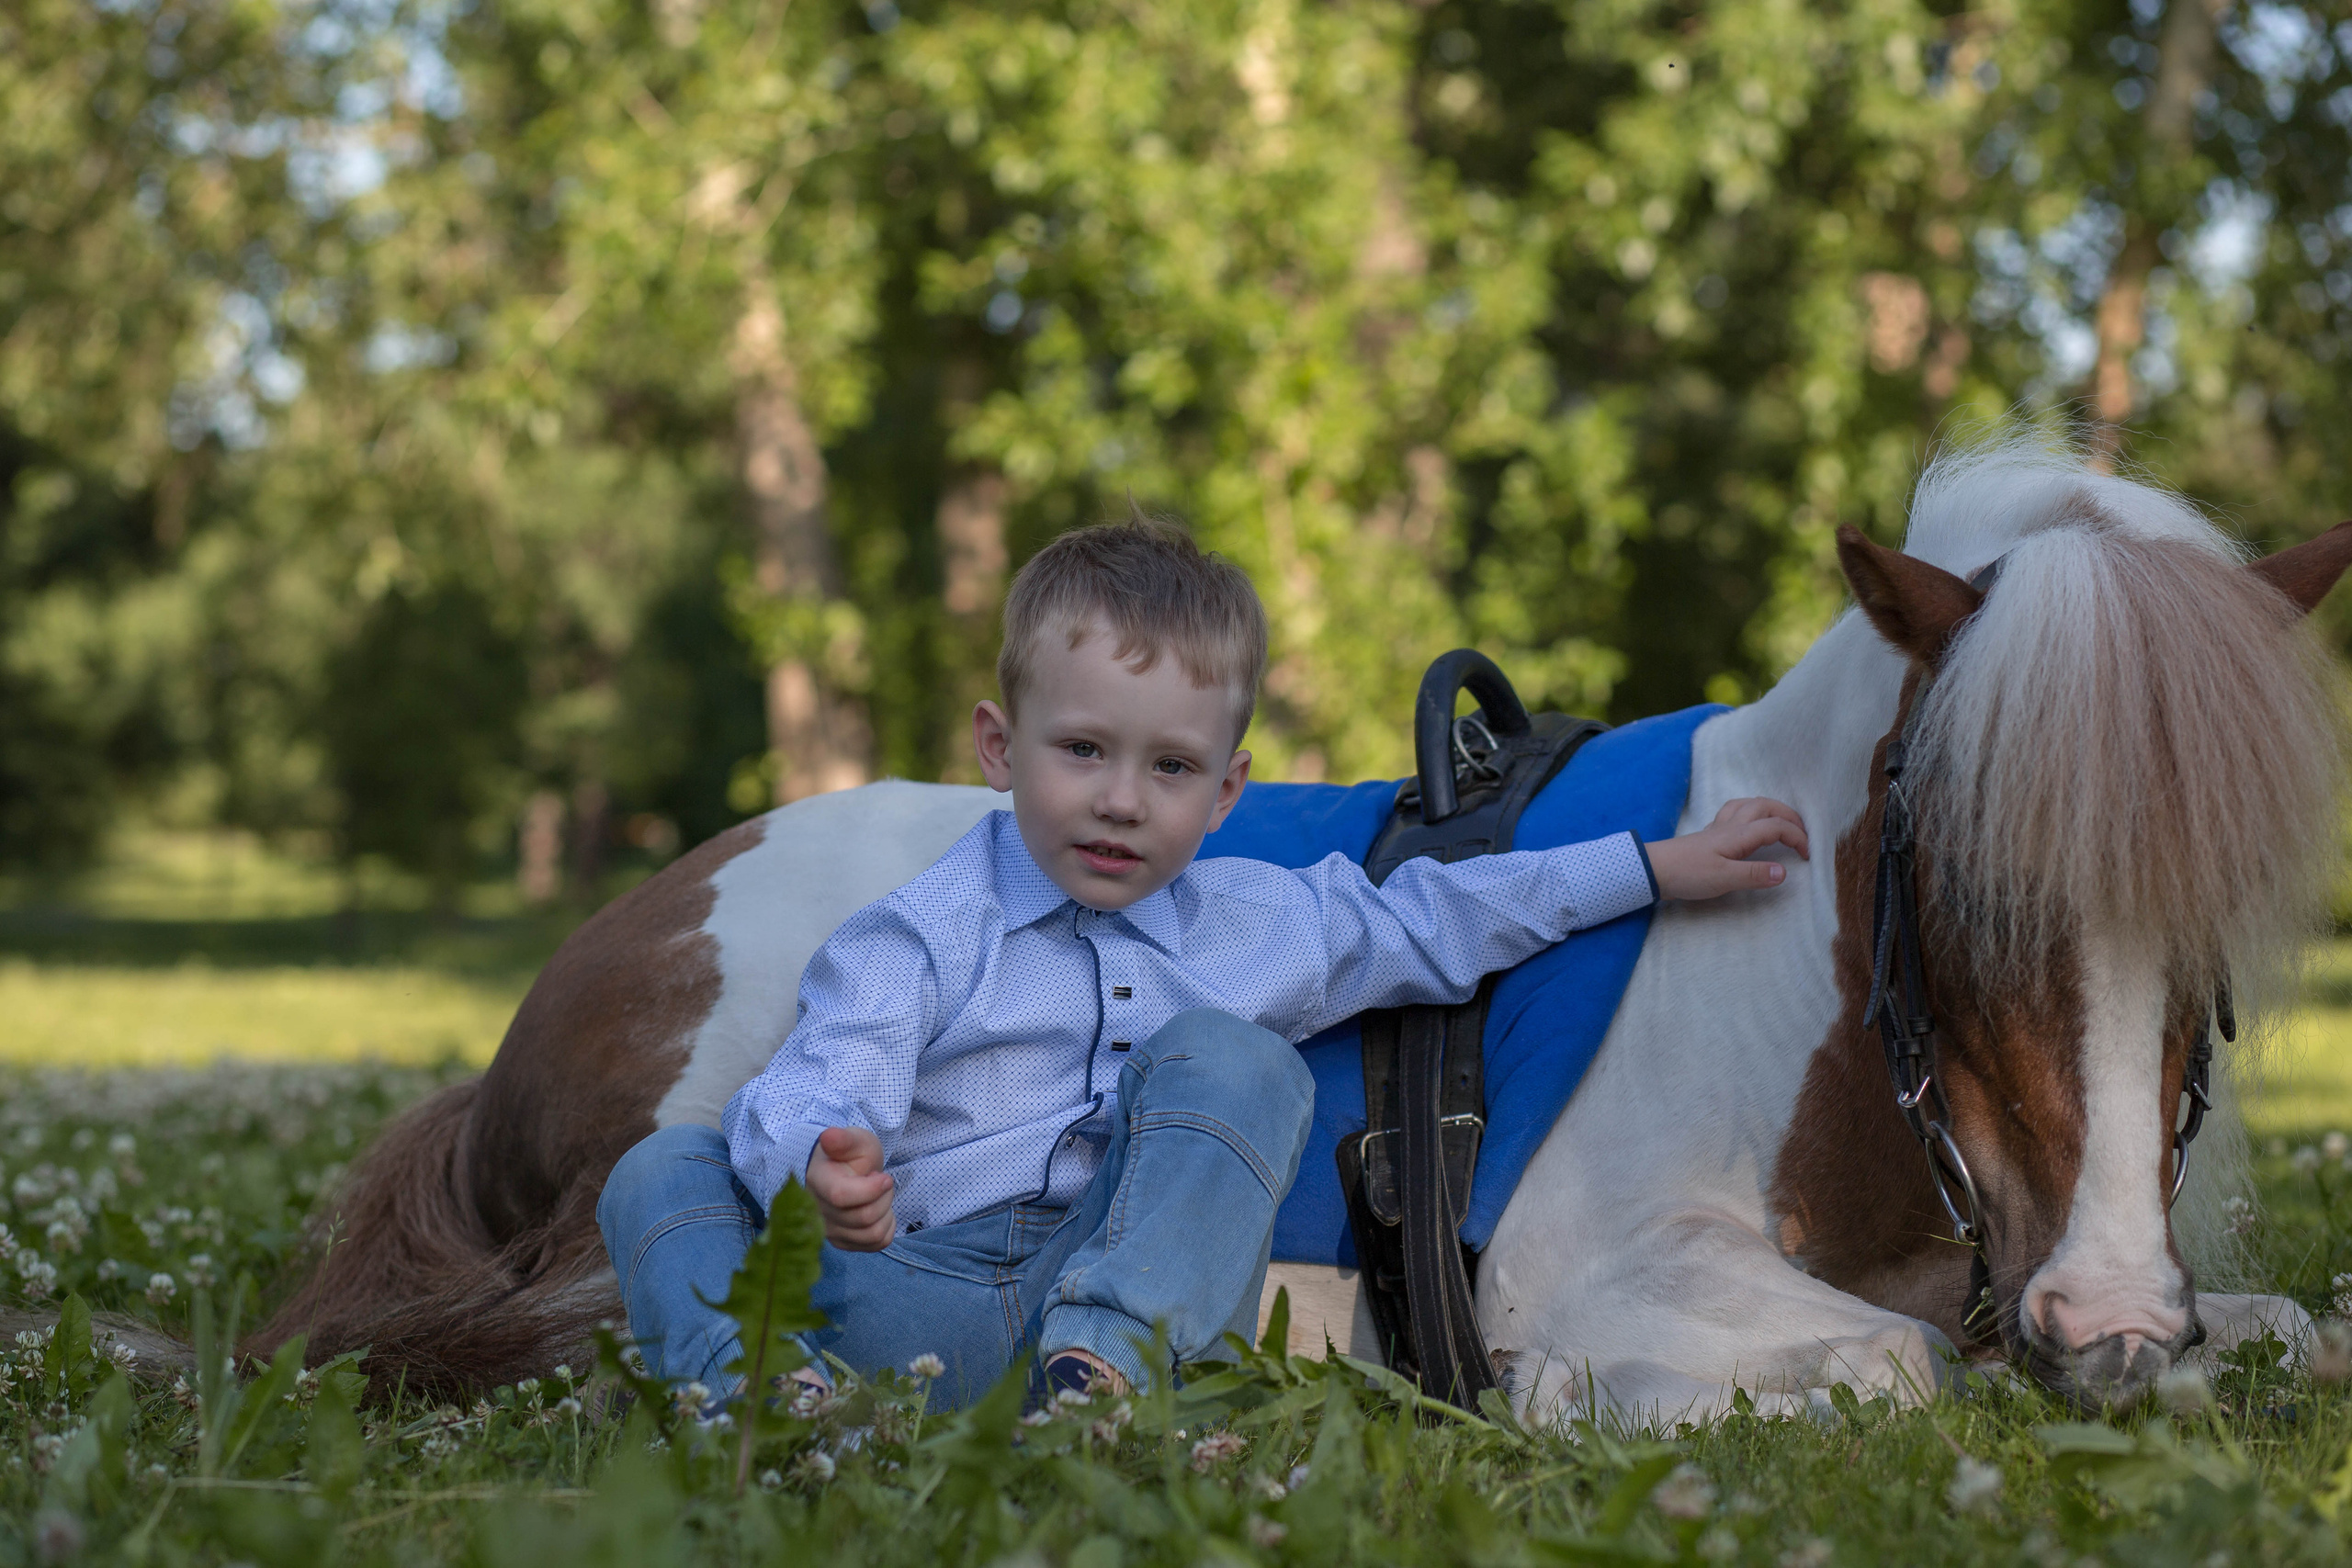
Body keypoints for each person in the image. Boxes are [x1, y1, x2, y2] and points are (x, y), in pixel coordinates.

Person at [596, 513, 1807, 1407]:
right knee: (666, 1167)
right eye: (1081, 751)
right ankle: (751, 1402)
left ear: (1228, 791)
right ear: (997, 747)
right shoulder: (918, 930)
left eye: (1170, 769)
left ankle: (1103, 1384)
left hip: (1114, 1275)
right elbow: (829, 1067)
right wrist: (822, 1157)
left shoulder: (1259, 919)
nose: (1122, 801)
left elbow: (1443, 913)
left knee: (1235, 1057)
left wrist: (1652, 867)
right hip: (906, 1287)